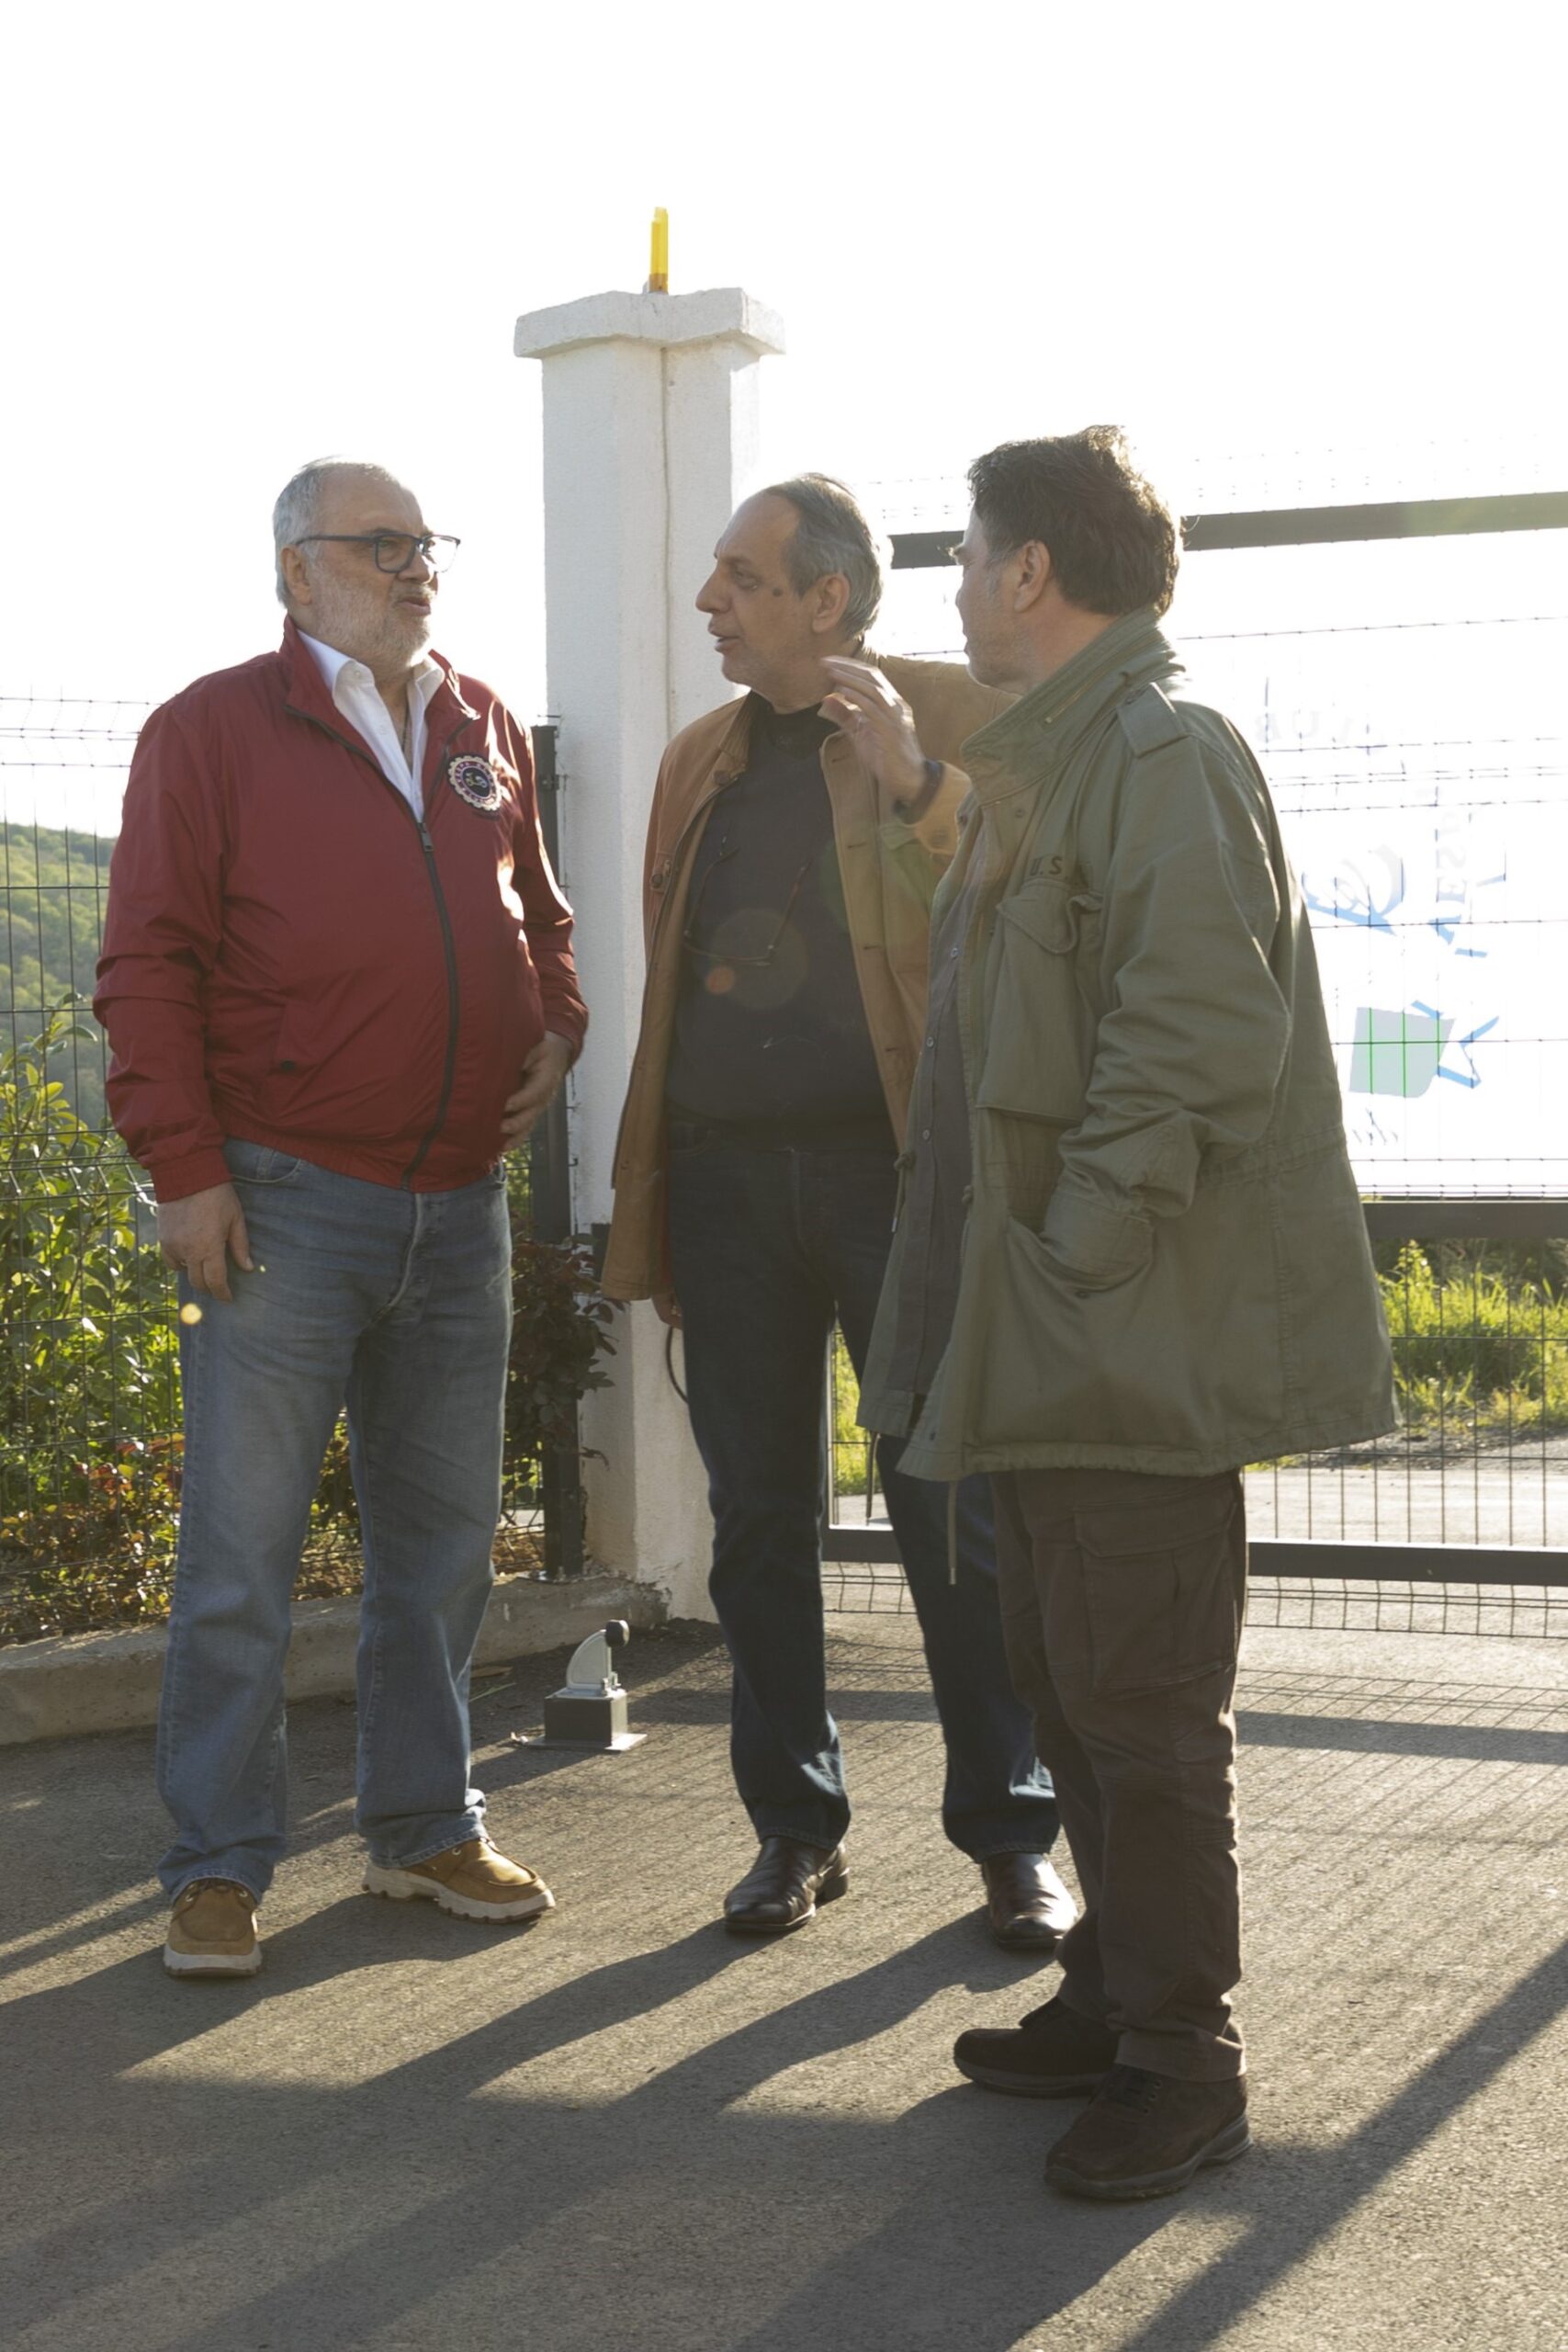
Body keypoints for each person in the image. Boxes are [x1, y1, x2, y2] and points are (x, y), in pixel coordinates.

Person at [857, 428, 1395, 2198]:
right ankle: (1112, 1989)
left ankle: (1184, 2059)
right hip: (1052, 1325)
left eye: (964, 554)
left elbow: (1196, 1032)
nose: (953, 586)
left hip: (1116, 1329)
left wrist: (1076, 1250)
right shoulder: (1057, 762)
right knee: (1068, 1682)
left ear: (1030, 570)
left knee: (1143, 1710)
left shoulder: (1163, 753)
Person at [96, 458, 586, 1977]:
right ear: (297, 571)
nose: (415, 564)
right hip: (283, 1203)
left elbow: (540, 916)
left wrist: (557, 1023)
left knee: (441, 1556)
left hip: (459, 1206)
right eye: (381, 544)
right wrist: (185, 1168)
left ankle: (424, 1827)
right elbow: (147, 963)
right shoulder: (210, 731)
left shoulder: (480, 722)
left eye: (425, 541)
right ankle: (217, 1865)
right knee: (240, 1564)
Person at [601, 475, 1069, 1942]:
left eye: (742, 579)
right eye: (715, 576)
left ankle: (1013, 1836)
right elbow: (671, 981)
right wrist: (661, 1194)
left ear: (829, 598)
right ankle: (794, 1830)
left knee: (949, 1512)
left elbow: (1033, 901)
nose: (710, 603)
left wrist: (919, 781)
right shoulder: (699, 760)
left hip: (901, 1182)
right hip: (729, 1186)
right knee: (756, 1522)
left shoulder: (961, 714)